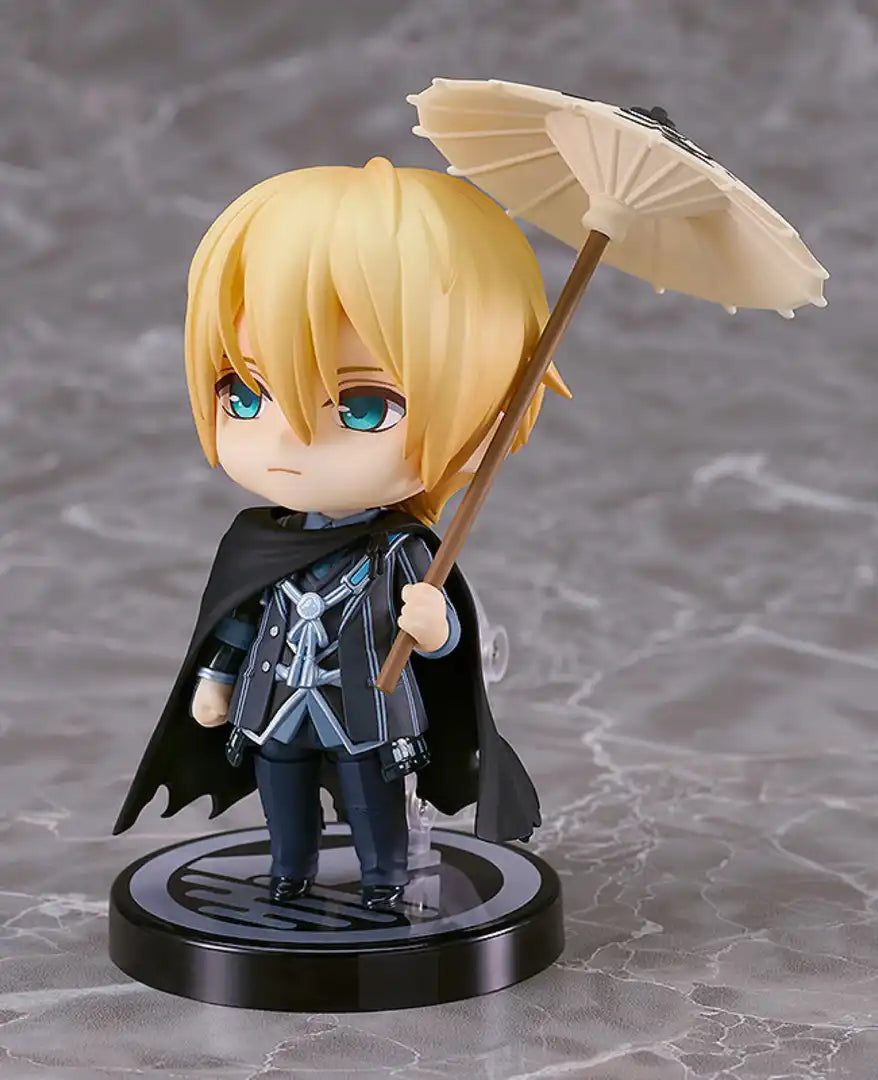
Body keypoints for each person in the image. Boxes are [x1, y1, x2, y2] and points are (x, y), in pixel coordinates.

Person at [113, 157, 571, 911]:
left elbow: (449, 645)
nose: (288, 441)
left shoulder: (400, 550)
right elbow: (240, 616)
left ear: (482, 416)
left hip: (364, 710)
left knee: (370, 795)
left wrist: (435, 626)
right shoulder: (261, 542)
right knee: (282, 788)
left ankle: (384, 879)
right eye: (246, 392)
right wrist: (218, 679)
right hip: (275, 702)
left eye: (361, 407)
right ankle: (288, 870)